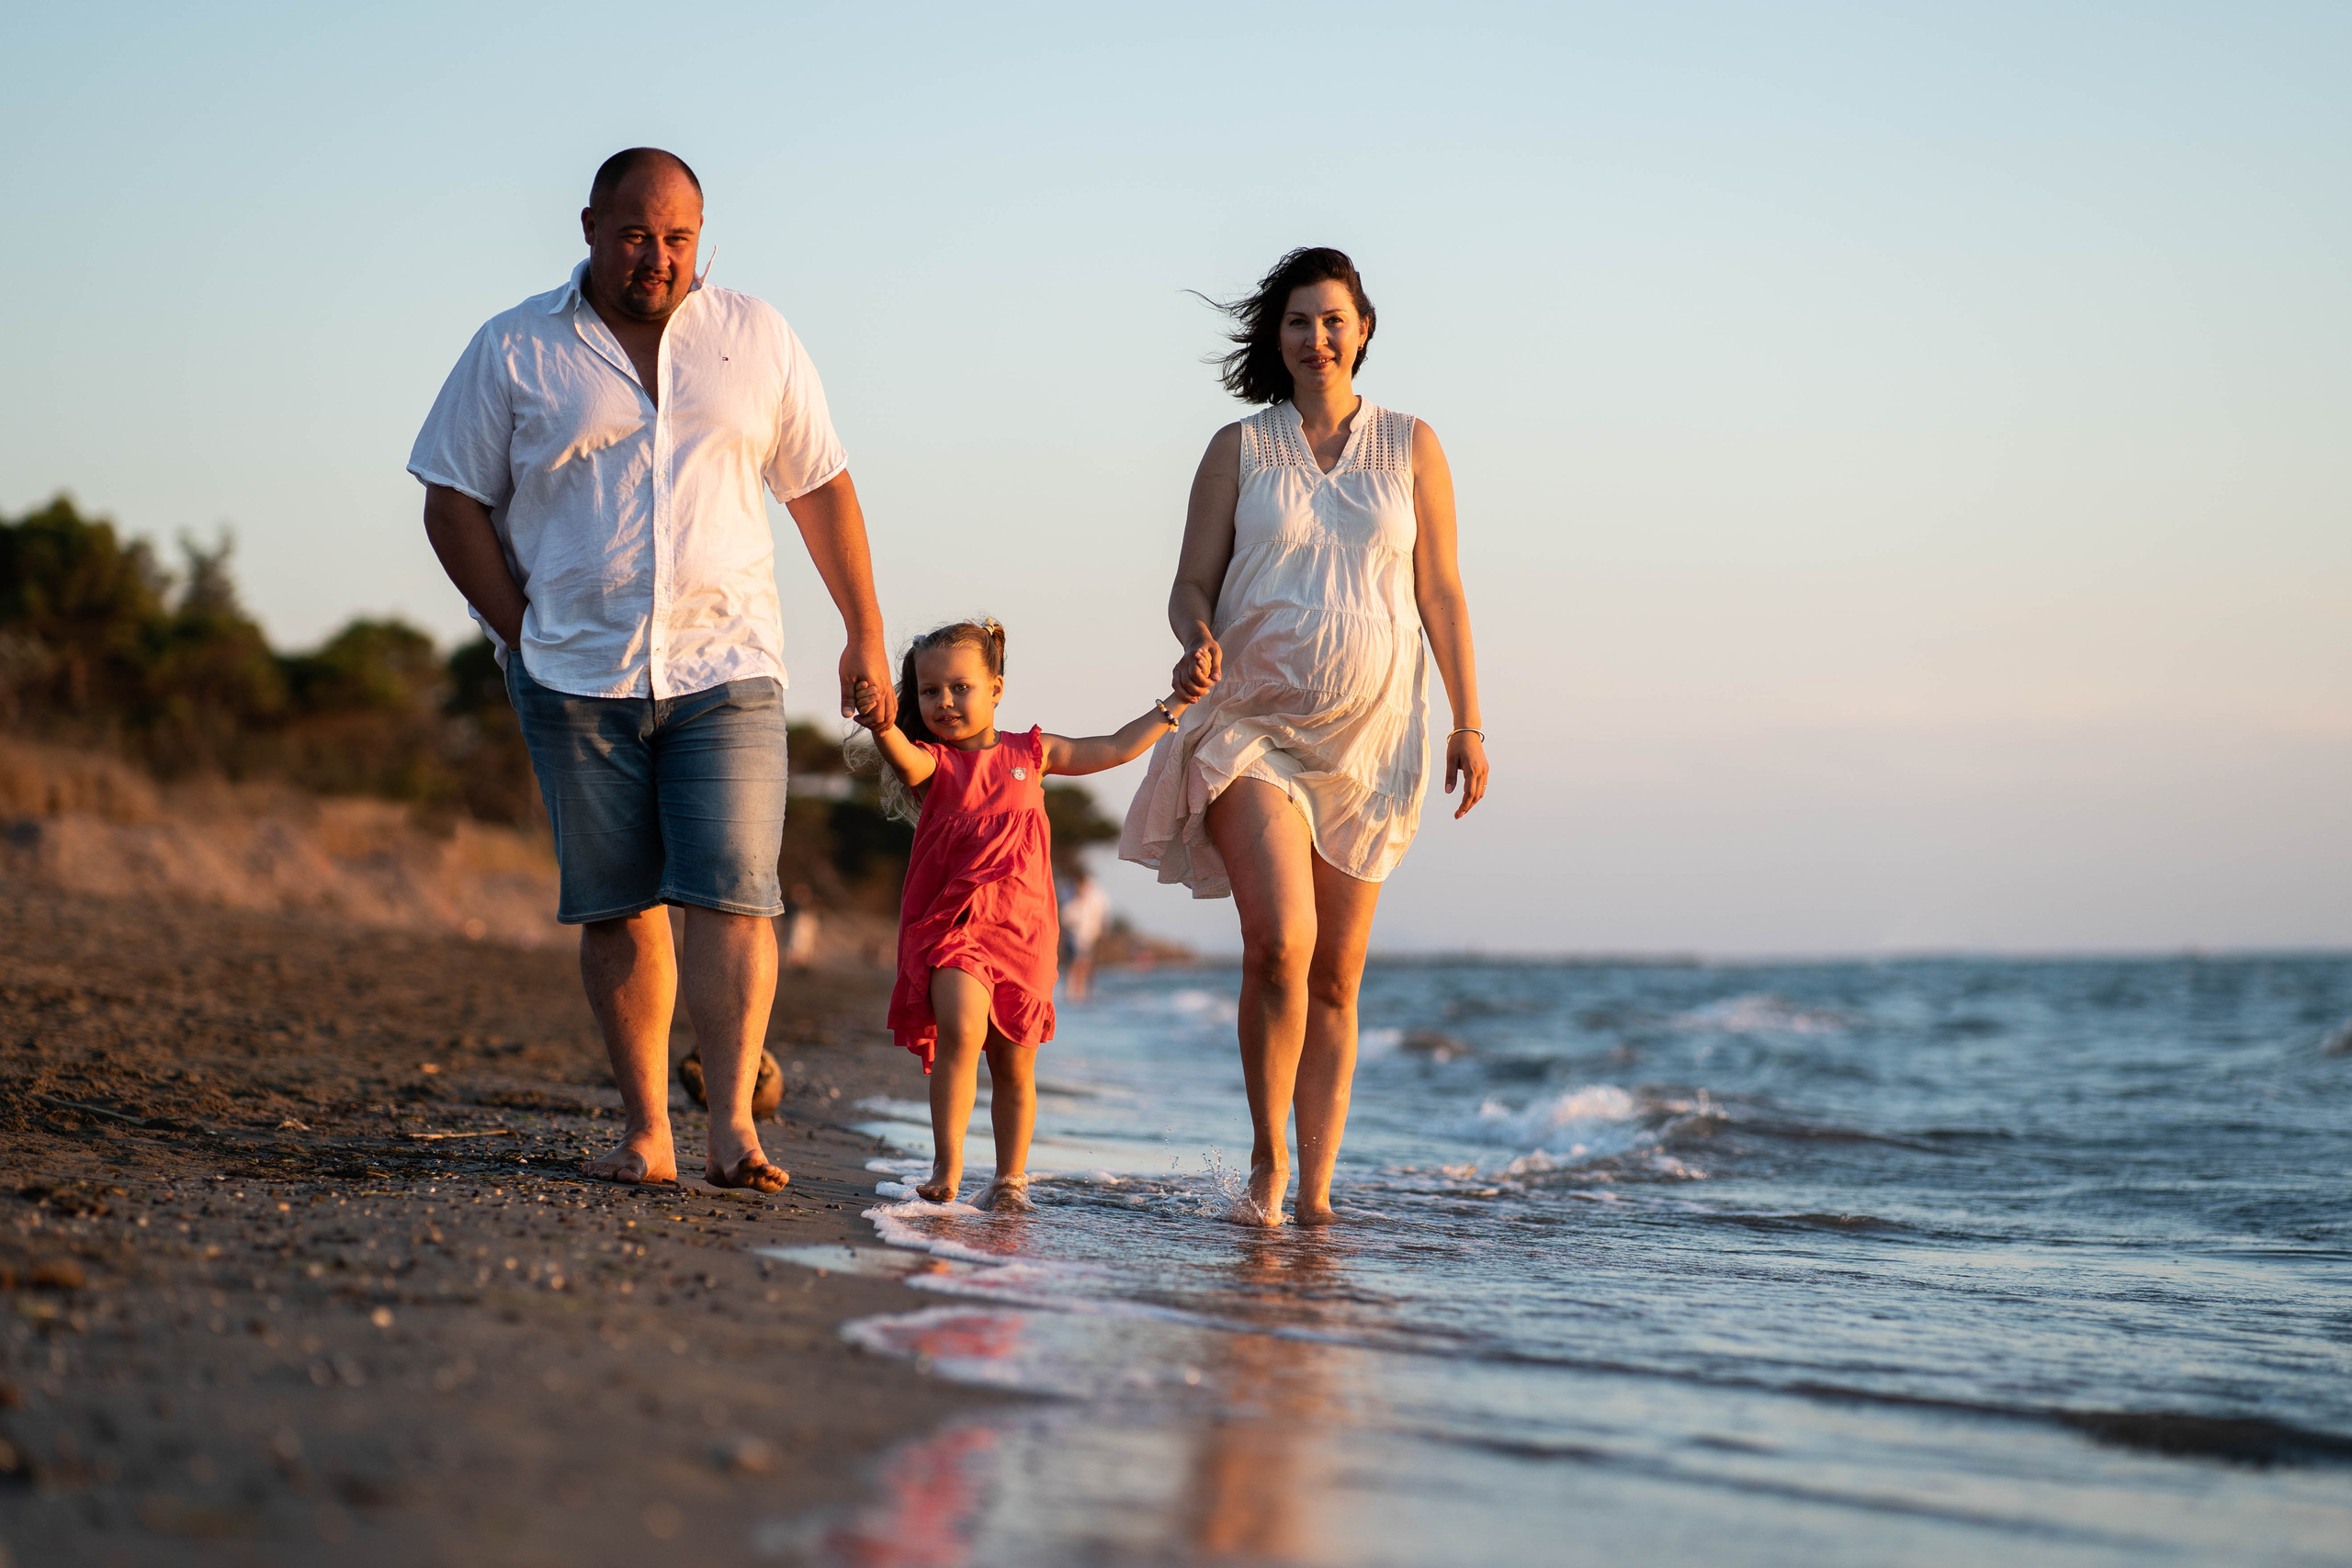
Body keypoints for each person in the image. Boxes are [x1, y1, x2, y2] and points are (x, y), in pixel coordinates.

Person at [409, 148, 896, 1193]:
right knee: (617, 904)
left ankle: (731, 1129)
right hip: (575, 673)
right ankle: (646, 1132)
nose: (658, 258)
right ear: (590, 226)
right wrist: (521, 630)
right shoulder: (513, 348)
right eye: (636, 236)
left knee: (734, 894)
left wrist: (864, 628)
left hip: (729, 664)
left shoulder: (754, 337)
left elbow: (820, 489)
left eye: (678, 239)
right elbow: (450, 500)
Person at [1120, 246, 1489, 1227]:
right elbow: (1190, 579)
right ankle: (1267, 1159)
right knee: (1279, 946)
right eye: (1296, 321)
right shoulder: (1238, 449)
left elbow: (1440, 591)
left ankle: (1318, 1192)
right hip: (1250, 723)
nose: (1315, 337)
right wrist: (1194, 634)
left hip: (1375, 738)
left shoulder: (1413, 445)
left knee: (1336, 975)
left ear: (1363, 329)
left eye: (1332, 319)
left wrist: (1470, 717)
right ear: (1274, 339)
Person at [851, 619, 1202, 1212]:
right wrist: (883, 724)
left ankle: (1010, 1179)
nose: (943, 702)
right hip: (955, 928)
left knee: (1014, 1062)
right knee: (961, 1033)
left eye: (959, 687)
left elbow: (1112, 748)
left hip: (1025, 934)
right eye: (930, 692)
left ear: (997, 688)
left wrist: (1177, 703)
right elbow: (903, 760)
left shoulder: (1032, 754)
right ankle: (947, 1163)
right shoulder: (933, 763)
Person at [1058, 869, 1110, 1001]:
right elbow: (1064, 918)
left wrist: (1103, 934)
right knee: (1075, 963)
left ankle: (1084, 993)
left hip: (1091, 935)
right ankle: (1072, 993)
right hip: (1073, 935)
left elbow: (1103, 916)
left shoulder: (1097, 896)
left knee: (1087, 965)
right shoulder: (1067, 894)